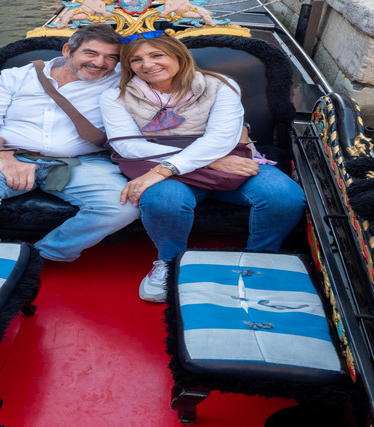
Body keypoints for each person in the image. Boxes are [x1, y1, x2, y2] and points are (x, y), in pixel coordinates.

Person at [100, 31, 306, 303]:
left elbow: (221, 139)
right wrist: (208, 160)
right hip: (177, 164)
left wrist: (171, 167)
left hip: (228, 162)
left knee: (284, 197)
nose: (147, 65)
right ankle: (170, 263)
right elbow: (127, 146)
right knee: (163, 200)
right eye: (136, 59)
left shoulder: (220, 85)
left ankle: (260, 260)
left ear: (177, 55)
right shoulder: (115, 95)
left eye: (156, 55)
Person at [0, 25, 139, 262]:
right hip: (8, 155)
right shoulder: (16, 77)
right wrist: (3, 156)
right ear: (68, 50)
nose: (100, 63)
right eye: (91, 53)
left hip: (83, 163)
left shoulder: (123, 82)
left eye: (111, 57)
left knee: (123, 207)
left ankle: (41, 255)